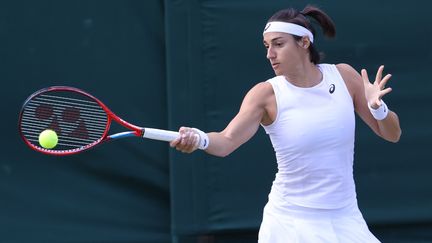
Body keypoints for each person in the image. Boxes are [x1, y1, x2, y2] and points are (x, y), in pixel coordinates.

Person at [170, 4, 401, 243]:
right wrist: (198, 138)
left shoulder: (344, 77)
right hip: (290, 223)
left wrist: (378, 109)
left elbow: (393, 134)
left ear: (304, 42)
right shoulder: (265, 95)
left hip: (345, 217)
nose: (270, 54)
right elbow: (226, 141)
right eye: (267, 46)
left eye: (278, 44)